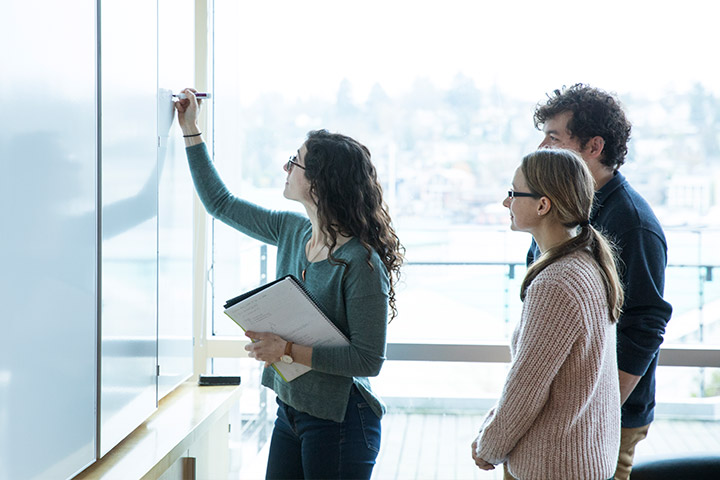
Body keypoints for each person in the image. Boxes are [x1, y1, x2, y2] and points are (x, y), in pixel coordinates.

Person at [174, 88, 403, 479]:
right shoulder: (292, 230)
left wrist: (287, 349)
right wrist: (191, 130)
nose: (285, 169)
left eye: (293, 163)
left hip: (341, 422)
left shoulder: (360, 262)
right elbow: (221, 204)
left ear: (318, 182)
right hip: (291, 411)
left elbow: (368, 360)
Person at [531, 84, 673, 479]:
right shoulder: (562, 209)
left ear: (593, 146)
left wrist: (601, 406)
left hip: (602, 418)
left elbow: (645, 325)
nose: (542, 146)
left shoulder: (633, 222)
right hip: (554, 410)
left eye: (554, 137)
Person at [472, 149, 624, 480]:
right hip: (585, 460)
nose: (505, 203)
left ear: (543, 205)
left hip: (554, 467)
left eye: (513, 193)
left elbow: (527, 387)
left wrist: (489, 447)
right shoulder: (587, 262)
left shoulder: (556, 282)